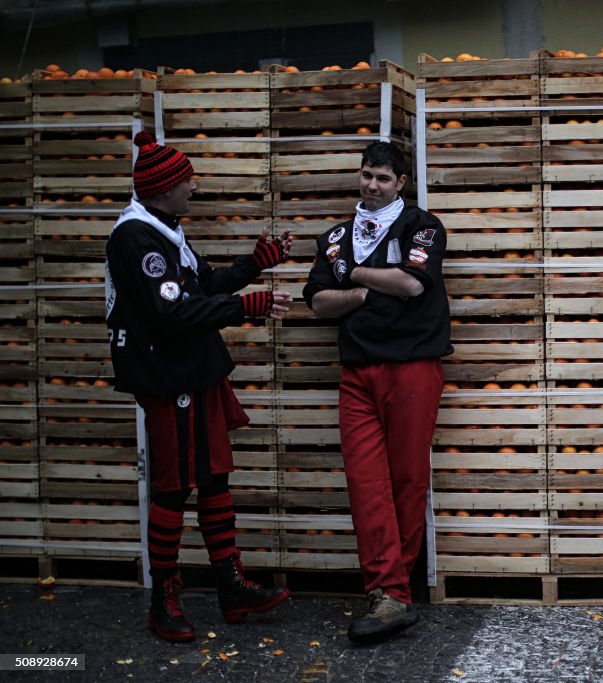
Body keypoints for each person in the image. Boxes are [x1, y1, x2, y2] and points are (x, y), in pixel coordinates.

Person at [104, 131, 293, 642]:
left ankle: (230, 586)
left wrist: (253, 265)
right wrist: (245, 307)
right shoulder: (135, 237)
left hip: (197, 369)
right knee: (174, 484)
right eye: (187, 178)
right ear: (164, 187)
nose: (194, 185)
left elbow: (199, 283)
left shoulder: (167, 227)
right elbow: (171, 312)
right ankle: (163, 597)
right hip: (168, 375)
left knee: (212, 477)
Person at [303, 141, 451, 642]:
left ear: (401, 183)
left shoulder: (422, 226)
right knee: (365, 482)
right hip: (357, 372)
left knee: (407, 480)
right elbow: (319, 302)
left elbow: (412, 285)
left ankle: (393, 592)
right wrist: (368, 288)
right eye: (367, 175)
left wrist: (355, 276)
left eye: (383, 178)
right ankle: (389, 592)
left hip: (412, 367)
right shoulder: (335, 237)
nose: (372, 185)